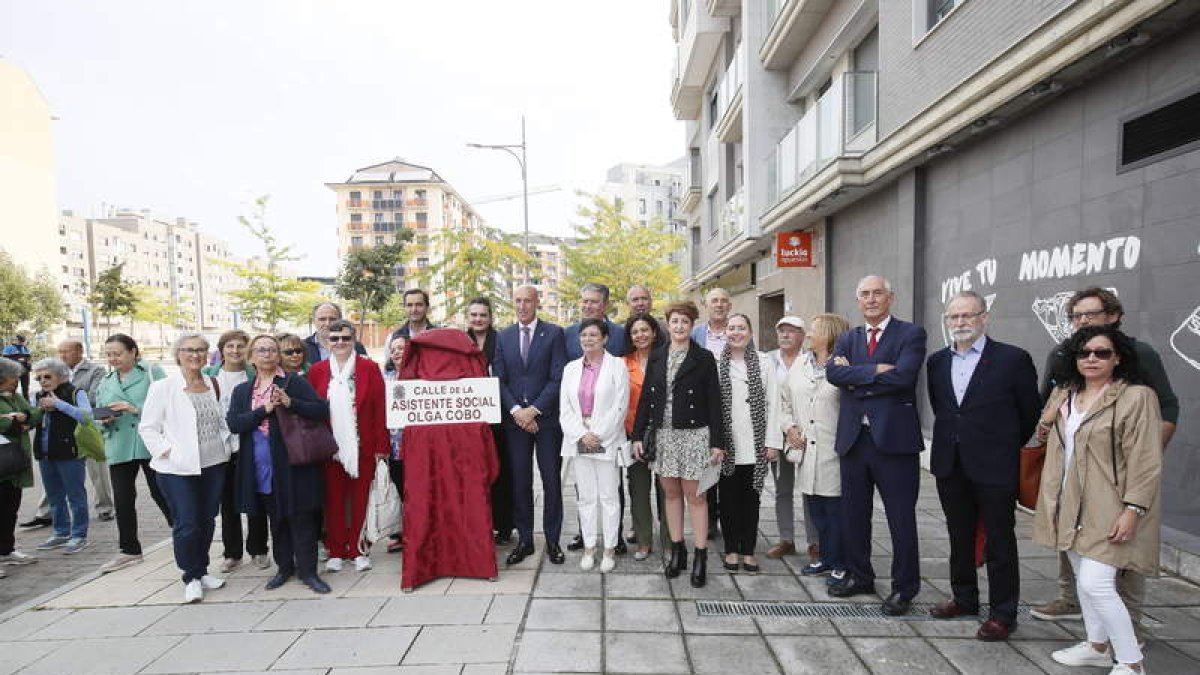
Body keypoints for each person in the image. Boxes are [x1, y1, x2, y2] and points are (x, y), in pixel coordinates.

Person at [1032, 287, 1179, 635]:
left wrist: (1142, 456)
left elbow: (1167, 407)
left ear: (1113, 316)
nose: (1083, 322)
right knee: (1070, 540)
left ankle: (1130, 629)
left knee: (1121, 550)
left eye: (1091, 315)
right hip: (1073, 469)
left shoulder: (1140, 356)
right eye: (1077, 316)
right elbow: (1048, 408)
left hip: (1116, 472)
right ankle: (1072, 604)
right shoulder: (1063, 354)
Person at [925, 292, 1040, 641]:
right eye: (953, 317)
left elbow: (1029, 412)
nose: (960, 323)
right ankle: (964, 598)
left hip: (995, 466)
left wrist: (1000, 445)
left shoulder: (1012, 359)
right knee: (959, 535)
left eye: (967, 316)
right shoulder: (937, 362)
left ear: (984, 317)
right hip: (950, 464)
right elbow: (944, 409)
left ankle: (1003, 613)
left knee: (1000, 541)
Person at [826, 275, 926, 616]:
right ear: (857, 301)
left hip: (894, 443)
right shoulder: (847, 338)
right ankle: (860, 576)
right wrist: (876, 371)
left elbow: (905, 377)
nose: (870, 299)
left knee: (901, 519)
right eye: (864, 294)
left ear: (890, 297)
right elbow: (834, 376)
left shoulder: (911, 334)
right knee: (854, 516)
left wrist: (856, 375)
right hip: (855, 440)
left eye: (877, 293)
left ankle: (904, 588)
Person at [227, 334, 332, 595]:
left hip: (293, 463)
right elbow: (234, 424)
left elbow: (320, 410)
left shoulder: (293, 382)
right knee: (277, 518)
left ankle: (308, 572)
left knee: (301, 517)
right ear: (251, 357)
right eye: (261, 350)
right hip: (260, 464)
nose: (267, 354)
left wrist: (290, 402)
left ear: (279, 355)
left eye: (272, 350)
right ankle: (284, 568)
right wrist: (263, 410)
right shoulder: (242, 391)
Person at [632, 300, 727, 588]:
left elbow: (715, 402)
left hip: (695, 434)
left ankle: (700, 554)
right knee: (670, 492)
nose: (679, 326)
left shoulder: (704, 357)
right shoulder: (658, 356)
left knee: (695, 495)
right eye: (674, 321)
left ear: (691, 325)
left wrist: (717, 442)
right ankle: (677, 549)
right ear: (668, 324)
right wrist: (638, 435)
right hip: (665, 435)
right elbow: (647, 400)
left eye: (685, 322)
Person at [138, 332, 234, 603]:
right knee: (187, 522)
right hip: (176, 468)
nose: (196, 355)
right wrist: (169, 453)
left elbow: (222, 421)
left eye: (201, 350)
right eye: (189, 350)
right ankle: (190, 576)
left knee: (206, 520)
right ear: (178, 354)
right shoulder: (163, 387)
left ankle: (201, 570)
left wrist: (226, 447)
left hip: (213, 463)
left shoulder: (213, 384)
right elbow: (148, 428)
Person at [493, 285, 568, 566]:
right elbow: (499, 378)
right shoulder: (504, 336)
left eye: (527, 300)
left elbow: (557, 377)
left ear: (537, 303)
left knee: (551, 481)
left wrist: (534, 410)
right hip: (516, 424)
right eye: (518, 301)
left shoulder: (554, 333)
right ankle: (525, 539)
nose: (522, 305)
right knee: (520, 482)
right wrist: (517, 411)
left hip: (546, 422)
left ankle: (552, 540)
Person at [307, 320, 389, 573]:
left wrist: (381, 447)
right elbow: (312, 411)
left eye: (345, 338)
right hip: (330, 447)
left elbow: (379, 408)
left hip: (363, 445)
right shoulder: (318, 371)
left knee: (361, 499)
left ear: (354, 340)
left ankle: (358, 549)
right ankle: (336, 549)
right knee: (333, 500)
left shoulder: (368, 368)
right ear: (326, 342)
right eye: (334, 339)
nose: (340, 343)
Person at [95, 334, 172, 574]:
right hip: (119, 444)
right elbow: (97, 416)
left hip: (149, 443)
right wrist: (104, 420)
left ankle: (183, 529)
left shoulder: (152, 372)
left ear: (133, 352)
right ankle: (129, 549)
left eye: (117, 353)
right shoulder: (106, 381)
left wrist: (134, 409)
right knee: (123, 498)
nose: (113, 358)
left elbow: (168, 407)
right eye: (108, 354)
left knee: (161, 490)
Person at [784, 313, 850, 585]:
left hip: (834, 451)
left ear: (830, 334)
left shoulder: (844, 365)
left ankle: (842, 563)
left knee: (836, 512)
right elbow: (784, 400)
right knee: (817, 511)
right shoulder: (800, 363)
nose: (809, 334)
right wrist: (790, 428)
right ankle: (826, 557)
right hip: (806, 451)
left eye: (814, 329)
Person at [560, 319, 629, 572]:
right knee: (586, 497)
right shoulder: (570, 368)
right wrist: (581, 435)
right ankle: (589, 547)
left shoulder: (617, 366)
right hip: (580, 439)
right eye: (584, 335)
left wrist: (597, 434)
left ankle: (609, 548)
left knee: (610, 497)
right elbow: (564, 408)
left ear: (605, 338)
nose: (588, 339)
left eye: (593, 335)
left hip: (606, 439)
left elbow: (620, 406)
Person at [716, 314, 781, 575]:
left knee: (751, 500)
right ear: (725, 333)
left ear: (750, 333)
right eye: (731, 328)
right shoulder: (717, 363)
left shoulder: (765, 362)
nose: (735, 332)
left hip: (756, 442)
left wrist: (773, 442)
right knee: (728, 499)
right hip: (727, 443)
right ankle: (731, 548)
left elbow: (774, 404)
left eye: (741, 328)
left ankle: (748, 551)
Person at [202, 330, 270, 574]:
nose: (235, 350)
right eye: (229, 346)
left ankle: (259, 549)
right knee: (227, 502)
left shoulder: (254, 376)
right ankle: (232, 552)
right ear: (221, 350)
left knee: (256, 500)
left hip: (248, 445)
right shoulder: (209, 377)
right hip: (220, 448)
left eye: (240, 346)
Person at [766, 316, 820, 563]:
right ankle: (786, 539)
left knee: (810, 488)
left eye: (791, 331)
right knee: (782, 488)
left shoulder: (811, 360)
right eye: (782, 331)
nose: (785, 335)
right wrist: (786, 429)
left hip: (806, 434)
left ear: (802, 335)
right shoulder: (768, 360)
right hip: (778, 434)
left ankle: (815, 542)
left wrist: (799, 429)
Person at [29, 358, 92, 554]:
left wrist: (59, 404)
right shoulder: (39, 395)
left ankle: (79, 535)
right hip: (46, 453)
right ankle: (61, 532)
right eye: (39, 377)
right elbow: (32, 420)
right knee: (55, 496)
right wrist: (37, 410)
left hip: (70, 452)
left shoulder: (75, 392)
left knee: (75, 495)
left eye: (47, 376)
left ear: (61, 375)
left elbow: (86, 416)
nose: (43, 381)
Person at [465, 297, 514, 545]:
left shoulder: (501, 340)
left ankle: (504, 525)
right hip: (472, 419)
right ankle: (478, 524)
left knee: (502, 471)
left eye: (482, 315)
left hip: (500, 418)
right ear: (468, 317)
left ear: (490, 317)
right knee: (475, 474)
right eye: (473, 315)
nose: (478, 319)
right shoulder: (462, 342)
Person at [623, 314, 667, 561]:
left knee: (667, 489)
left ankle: (670, 540)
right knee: (638, 489)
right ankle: (643, 541)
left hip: (663, 433)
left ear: (654, 332)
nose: (640, 335)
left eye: (644, 330)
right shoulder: (623, 363)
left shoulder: (666, 358)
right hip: (633, 434)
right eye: (635, 332)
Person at [691, 287, 731, 536]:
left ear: (730, 305)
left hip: (733, 405)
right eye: (714, 301)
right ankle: (708, 520)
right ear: (707, 305)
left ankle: (728, 519)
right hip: (704, 407)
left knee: (729, 464)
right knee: (707, 464)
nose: (719, 304)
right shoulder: (696, 334)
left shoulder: (738, 330)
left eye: (723, 301)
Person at [58, 340, 112, 522]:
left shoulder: (95, 371)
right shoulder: (59, 371)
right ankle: (46, 512)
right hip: (64, 428)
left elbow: (94, 396)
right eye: (60, 352)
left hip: (88, 427)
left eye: (66, 351)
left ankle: (105, 507)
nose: (62, 355)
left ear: (79, 351)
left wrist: (62, 403)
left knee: (97, 469)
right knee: (58, 470)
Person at [0, 357, 37, 570]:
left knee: (10, 508)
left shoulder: (15, 396)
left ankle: (7, 550)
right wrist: (13, 421)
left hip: (14, 464)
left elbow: (34, 414)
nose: (17, 380)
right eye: (13, 376)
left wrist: (20, 418)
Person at [381, 334, 408, 554]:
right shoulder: (385, 377)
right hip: (393, 446)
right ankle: (400, 532)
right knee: (398, 489)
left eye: (402, 347)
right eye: (394, 349)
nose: (397, 352)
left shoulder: (422, 376)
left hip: (417, 446)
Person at [304, 302, 367, 367]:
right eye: (322, 319)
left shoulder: (356, 347)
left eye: (332, 319)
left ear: (340, 320)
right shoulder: (302, 348)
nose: (327, 323)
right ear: (314, 321)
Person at [386, 289, 439, 357]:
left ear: (427, 307)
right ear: (404, 308)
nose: (414, 309)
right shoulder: (393, 337)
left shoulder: (438, 336)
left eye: (419, 305)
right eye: (409, 305)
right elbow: (389, 366)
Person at [2, 335, 31, 401]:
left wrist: (28, 364)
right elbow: (4, 358)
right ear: (16, 340)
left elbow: (28, 358)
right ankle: (12, 403)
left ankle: (27, 403)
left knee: (25, 388)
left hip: (25, 371)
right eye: (20, 340)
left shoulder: (25, 348)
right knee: (12, 387)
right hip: (14, 371)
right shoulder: (9, 348)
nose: (21, 342)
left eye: (22, 341)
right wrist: (17, 359)